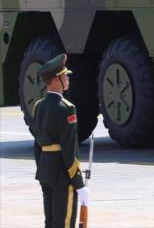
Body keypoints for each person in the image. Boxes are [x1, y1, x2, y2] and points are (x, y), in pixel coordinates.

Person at [29, 54, 88, 228]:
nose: (67, 78)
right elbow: (69, 149)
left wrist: (42, 168)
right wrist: (79, 184)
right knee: (64, 224)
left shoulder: (39, 106)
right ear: (56, 80)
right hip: (63, 175)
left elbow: (37, 144)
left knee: (50, 223)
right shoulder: (67, 109)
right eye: (64, 75)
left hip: (45, 173)